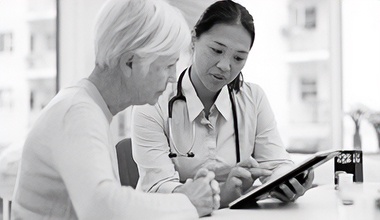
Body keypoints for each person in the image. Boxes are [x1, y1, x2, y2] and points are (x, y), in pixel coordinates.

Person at [11, 0, 220, 219]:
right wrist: (188, 203)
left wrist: (181, 198)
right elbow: (103, 207)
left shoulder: (87, 107)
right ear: (130, 62)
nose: (172, 77)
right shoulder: (77, 112)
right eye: (168, 65)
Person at [132, 0, 314, 208]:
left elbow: (275, 165)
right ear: (194, 39)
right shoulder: (153, 102)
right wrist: (224, 194)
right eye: (217, 50)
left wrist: (290, 179)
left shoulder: (253, 98)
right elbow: (159, 188)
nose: (225, 66)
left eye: (238, 58)